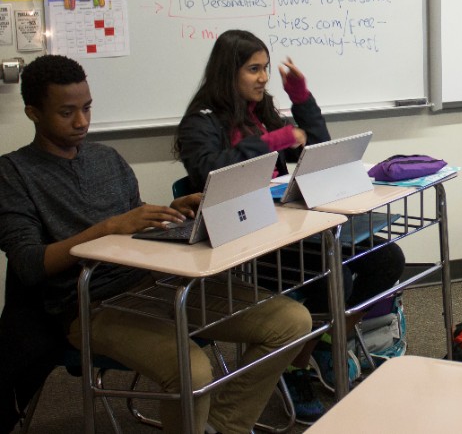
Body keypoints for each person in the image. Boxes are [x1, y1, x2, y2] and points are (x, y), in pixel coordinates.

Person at [0, 54, 312, 434]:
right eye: (66, 113)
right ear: (33, 112)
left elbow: (132, 218)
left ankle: (222, 425)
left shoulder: (105, 158)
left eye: (87, 108)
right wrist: (108, 227)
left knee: (291, 321)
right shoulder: (14, 173)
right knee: (193, 368)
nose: (81, 122)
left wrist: (169, 211)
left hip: (155, 282)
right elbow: (30, 264)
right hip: (87, 306)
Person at [173, 30, 405, 423]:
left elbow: (317, 148)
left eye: (265, 68)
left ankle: (326, 342)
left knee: (386, 257)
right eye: (253, 69)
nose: (263, 78)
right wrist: (271, 142)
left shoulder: (260, 111)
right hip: (243, 242)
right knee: (337, 279)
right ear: (228, 73)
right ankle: (297, 365)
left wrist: (302, 98)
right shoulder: (201, 122)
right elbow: (208, 170)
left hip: (287, 228)